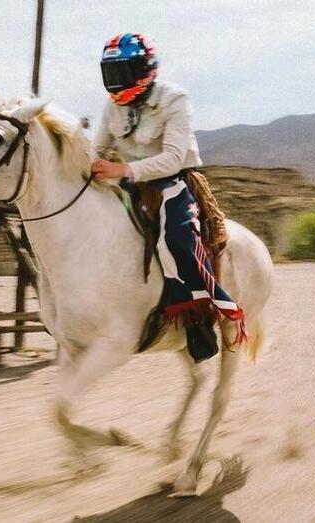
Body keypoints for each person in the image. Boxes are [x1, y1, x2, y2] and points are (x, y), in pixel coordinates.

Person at [91, 32, 245, 362]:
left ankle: (198, 318)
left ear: (143, 69)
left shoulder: (175, 98)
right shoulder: (111, 106)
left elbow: (174, 157)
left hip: (172, 183)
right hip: (128, 186)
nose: (116, 83)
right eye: (110, 73)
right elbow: (97, 150)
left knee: (176, 239)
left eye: (122, 73)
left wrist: (121, 170)